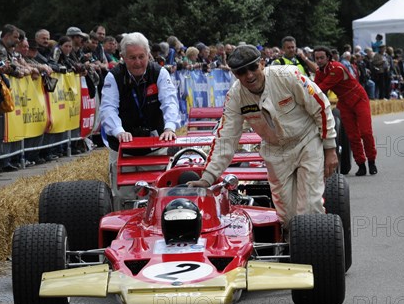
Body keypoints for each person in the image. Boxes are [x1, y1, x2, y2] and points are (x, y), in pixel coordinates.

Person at [187, 45, 338, 229]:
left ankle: (317, 253)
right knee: (286, 216)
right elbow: (226, 138)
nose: (249, 75)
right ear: (235, 74)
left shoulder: (289, 76)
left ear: (262, 63)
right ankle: (293, 249)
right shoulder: (235, 97)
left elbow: (321, 107)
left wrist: (330, 148)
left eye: (252, 68)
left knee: (309, 209)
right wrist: (207, 178)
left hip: (306, 141)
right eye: (241, 72)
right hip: (275, 151)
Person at [99, 32, 179, 209]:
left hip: (154, 146)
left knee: (157, 194)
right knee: (124, 198)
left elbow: (170, 102)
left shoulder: (159, 73)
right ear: (123, 58)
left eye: (141, 57)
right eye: (132, 58)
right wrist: (118, 131)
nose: (137, 62)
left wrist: (170, 127)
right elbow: (107, 108)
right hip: (123, 148)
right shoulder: (114, 76)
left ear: (148, 55)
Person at [313, 46, 377, 176]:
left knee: (365, 132)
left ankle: (371, 161)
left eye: (321, 58)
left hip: (358, 98)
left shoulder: (337, 68)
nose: (319, 61)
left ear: (328, 58)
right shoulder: (320, 72)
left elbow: (320, 89)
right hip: (344, 102)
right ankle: (361, 164)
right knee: (352, 135)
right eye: (317, 58)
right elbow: (316, 90)